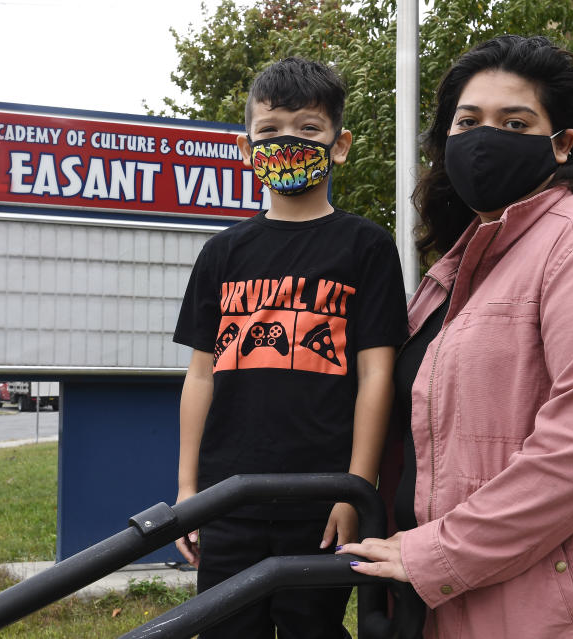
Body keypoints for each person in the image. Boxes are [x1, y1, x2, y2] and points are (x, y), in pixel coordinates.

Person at [339, 35, 573, 638]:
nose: (485, 137)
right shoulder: (465, 265)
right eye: (468, 122)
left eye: (514, 122)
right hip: (481, 600)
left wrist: (439, 553)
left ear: (563, 143)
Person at [172, 56, 408, 639]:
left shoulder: (366, 248)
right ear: (247, 149)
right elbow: (200, 375)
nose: (287, 143)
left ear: (340, 143)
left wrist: (357, 488)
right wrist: (186, 491)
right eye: (270, 131)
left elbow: (377, 377)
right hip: (226, 498)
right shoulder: (221, 254)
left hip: (323, 497)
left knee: (314, 628)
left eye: (307, 129)